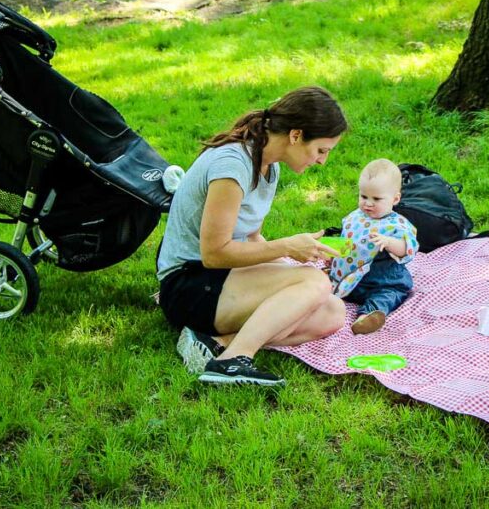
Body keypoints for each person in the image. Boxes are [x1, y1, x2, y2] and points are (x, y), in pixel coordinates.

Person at [156, 86, 348, 387]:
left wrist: (294, 261)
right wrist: (287, 248)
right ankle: (232, 362)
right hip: (189, 283)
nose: (322, 161)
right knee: (313, 283)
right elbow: (214, 254)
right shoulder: (232, 165)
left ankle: (216, 341)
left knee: (332, 311)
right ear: (296, 136)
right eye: (321, 150)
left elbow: (251, 237)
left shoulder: (269, 166)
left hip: (219, 279)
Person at [328, 159, 419, 334]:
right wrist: (334, 255)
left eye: (376, 199)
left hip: (384, 281)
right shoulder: (356, 217)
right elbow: (347, 240)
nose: (368, 203)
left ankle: (367, 317)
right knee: (328, 285)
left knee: (387, 296)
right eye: (364, 196)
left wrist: (389, 242)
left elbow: (408, 249)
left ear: (395, 199)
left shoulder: (397, 224)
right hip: (352, 279)